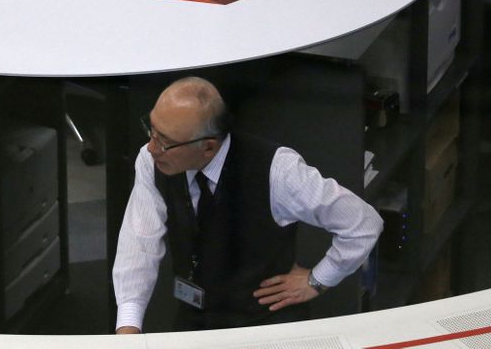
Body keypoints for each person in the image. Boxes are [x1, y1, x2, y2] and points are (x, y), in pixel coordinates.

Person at [113, 76, 383, 333]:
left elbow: (363, 223)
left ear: (208, 147)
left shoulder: (278, 170)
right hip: (196, 315)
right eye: (152, 130)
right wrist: (129, 325)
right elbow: (139, 243)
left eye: (165, 142)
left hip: (265, 321)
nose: (151, 147)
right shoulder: (152, 161)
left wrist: (318, 279)